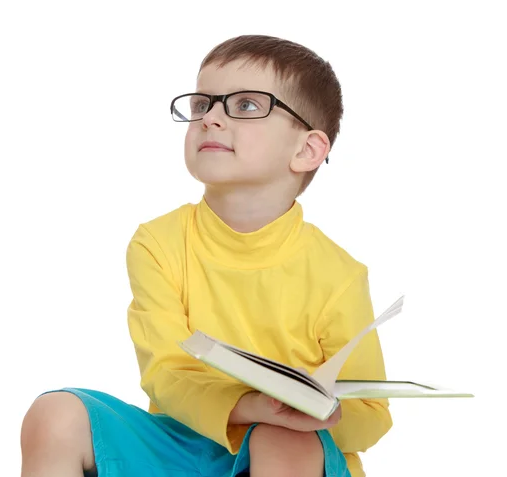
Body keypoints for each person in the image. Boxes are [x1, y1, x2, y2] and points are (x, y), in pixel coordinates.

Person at [20, 34, 392, 477]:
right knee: (55, 414)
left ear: (306, 150)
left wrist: (317, 415)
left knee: (280, 438)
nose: (211, 119)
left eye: (248, 105)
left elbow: (373, 413)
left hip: (291, 454)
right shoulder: (158, 243)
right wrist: (246, 405)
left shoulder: (339, 274)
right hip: (182, 444)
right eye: (202, 105)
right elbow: (166, 372)